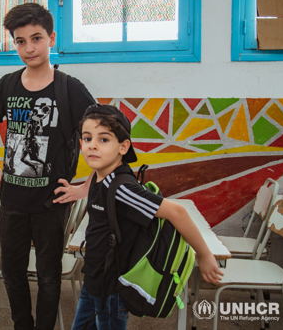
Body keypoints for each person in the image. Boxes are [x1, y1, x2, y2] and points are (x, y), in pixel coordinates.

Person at [0, 3, 96, 330]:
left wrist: (86, 186)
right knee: (13, 273)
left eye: (36, 38)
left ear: (51, 38)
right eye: (20, 41)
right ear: (14, 44)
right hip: (12, 202)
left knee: (48, 276)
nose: (29, 48)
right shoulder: (7, 84)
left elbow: (107, 136)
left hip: (51, 204)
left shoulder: (69, 88)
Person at [71, 104, 224, 330]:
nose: (92, 145)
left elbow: (177, 212)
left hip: (112, 289)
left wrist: (204, 255)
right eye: (86, 138)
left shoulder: (122, 188)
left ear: (123, 147)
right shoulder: (100, 176)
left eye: (104, 140)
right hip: (94, 280)